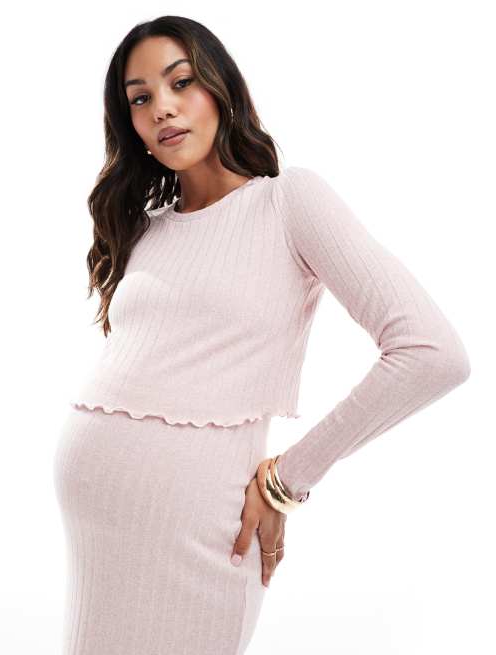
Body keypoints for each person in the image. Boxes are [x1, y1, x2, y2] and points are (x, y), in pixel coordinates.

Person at [52, 15, 471, 655]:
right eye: (139, 98)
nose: (161, 108)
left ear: (222, 87)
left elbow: (432, 353)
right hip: (98, 540)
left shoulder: (288, 202)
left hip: (200, 540)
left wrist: (287, 479)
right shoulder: (147, 229)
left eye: (181, 82)